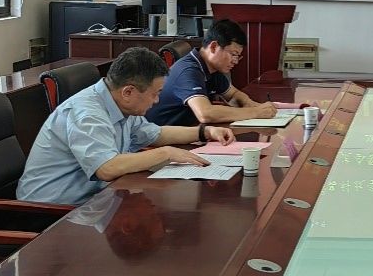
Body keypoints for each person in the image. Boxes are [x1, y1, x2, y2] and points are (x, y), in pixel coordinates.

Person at [18, 47, 235, 205]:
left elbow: (155, 134)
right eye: (155, 94)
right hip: (50, 212)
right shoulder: (87, 113)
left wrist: (205, 132)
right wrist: (166, 153)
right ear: (128, 91)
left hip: (94, 202)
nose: (157, 101)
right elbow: (107, 168)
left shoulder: (120, 104)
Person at [146, 19, 276, 126]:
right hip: (160, 139)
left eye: (238, 56)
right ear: (214, 47)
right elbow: (205, 114)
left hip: (189, 132)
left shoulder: (212, 68)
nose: (235, 61)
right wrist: (255, 112)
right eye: (233, 54)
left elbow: (234, 94)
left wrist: (248, 103)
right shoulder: (188, 71)